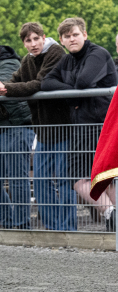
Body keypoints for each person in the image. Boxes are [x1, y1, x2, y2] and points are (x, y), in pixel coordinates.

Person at [42, 17, 118, 230]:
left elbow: (84, 82)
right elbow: (46, 82)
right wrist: (74, 94)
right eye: (67, 36)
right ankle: (112, 213)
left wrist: (69, 93)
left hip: (101, 124)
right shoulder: (66, 61)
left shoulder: (98, 54)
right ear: (61, 40)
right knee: (77, 177)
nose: (72, 39)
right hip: (80, 126)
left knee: (107, 177)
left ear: (84, 35)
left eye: (75, 34)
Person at [0, 23, 76, 231]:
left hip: (63, 128)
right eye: (28, 40)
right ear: (23, 43)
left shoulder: (55, 52)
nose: (33, 44)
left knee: (65, 181)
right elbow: (15, 80)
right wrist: (4, 86)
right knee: (41, 183)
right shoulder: (27, 60)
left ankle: (68, 229)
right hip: (42, 131)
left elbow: (40, 83)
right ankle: (52, 229)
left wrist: (5, 89)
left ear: (44, 37)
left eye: (36, 39)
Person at [0, 45, 33, 229]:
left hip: (17, 127)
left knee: (17, 179)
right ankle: (7, 221)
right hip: (3, 128)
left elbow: (3, 86)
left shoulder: (10, 62)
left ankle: (22, 226)